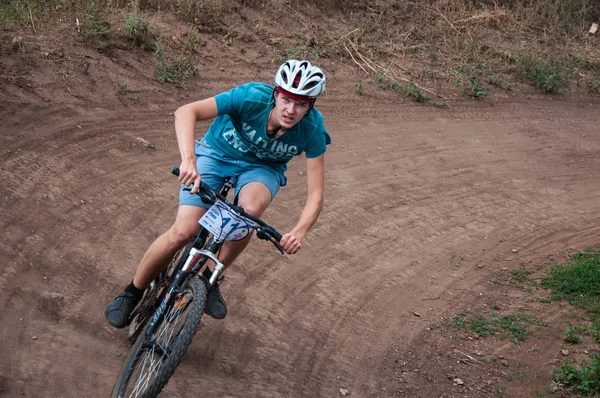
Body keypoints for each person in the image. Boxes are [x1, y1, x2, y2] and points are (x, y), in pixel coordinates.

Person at [105, 59, 330, 327]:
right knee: (183, 232)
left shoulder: (313, 130)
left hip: (262, 169)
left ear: (311, 106)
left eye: (301, 104)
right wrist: (189, 159)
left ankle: (210, 278)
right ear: (275, 94)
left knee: (249, 213)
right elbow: (186, 112)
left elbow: (316, 194)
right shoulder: (250, 97)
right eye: (286, 100)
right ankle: (132, 292)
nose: (291, 110)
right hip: (216, 153)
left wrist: (299, 231)